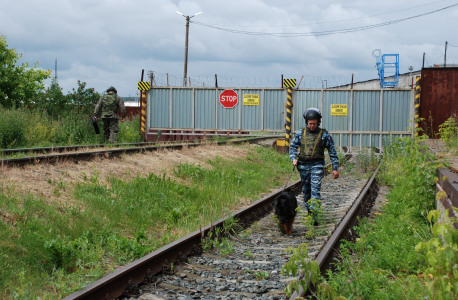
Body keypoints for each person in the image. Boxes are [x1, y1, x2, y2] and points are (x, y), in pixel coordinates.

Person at [289, 108, 339, 218]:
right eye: (310, 123)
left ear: (318, 122)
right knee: (306, 191)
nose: (312, 126)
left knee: (315, 190)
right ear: (306, 122)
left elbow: (332, 151)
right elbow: (292, 147)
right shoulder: (300, 133)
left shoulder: (324, 134)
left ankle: (314, 215)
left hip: (317, 165)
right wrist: (293, 158)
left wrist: (335, 168)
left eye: (314, 124)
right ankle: (309, 212)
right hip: (303, 166)